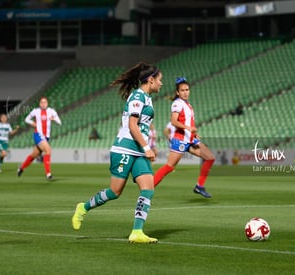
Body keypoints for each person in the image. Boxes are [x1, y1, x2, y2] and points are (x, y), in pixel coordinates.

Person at [71, 62, 163, 244]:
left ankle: (137, 231)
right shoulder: (137, 96)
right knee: (115, 191)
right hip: (125, 149)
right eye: (160, 80)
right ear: (150, 80)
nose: (161, 83)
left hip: (137, 151)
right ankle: (83, 207)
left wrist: (146, 146)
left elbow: (142, 126)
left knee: (148, 188)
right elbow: (132, 125)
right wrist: (147, 147)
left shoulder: (147, 98)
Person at [153, 77, 215, 198]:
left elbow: (187, 121)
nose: (186, 92)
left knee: (210, 158)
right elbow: (174, 121)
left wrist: (193, 133)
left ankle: (199, 186)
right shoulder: (177, 104)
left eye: (187, 89)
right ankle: (149, 187)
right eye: (182, 90)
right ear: (177, 92)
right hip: (180, 139)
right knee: (170, 167)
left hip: (190, 139)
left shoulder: (188, 105)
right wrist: (188, 128)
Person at [17, 96, 61, 180]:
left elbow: (59, 122)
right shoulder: (36, 111)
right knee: (48, 151)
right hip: (38, 135)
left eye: (45, 102)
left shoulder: (51, 111)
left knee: (33, 156)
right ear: (39, 104)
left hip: (46, 137)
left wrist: (54, 119)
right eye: (42, 102)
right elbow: (26, 119)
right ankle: (48, 174)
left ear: (47, 103)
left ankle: (21, 168)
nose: (43, 104)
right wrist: (33, 123)